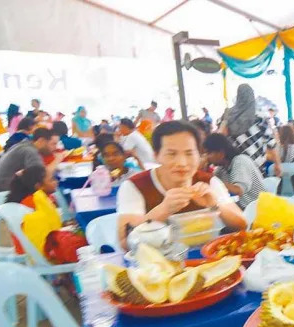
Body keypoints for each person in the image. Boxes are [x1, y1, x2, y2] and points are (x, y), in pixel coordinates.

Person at [116, 121, 246, 246]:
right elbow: (125, 242)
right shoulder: (135, 186)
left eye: (189, 153)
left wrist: (214, 205)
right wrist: (163, 209)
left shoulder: (208, 182)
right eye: (171, 154)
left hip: (205, 260)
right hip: (157, 264)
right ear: (156, 155)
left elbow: (242, 225)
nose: (182, 163)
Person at [222, 84, 282, 176]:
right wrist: (278, 164)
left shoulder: (228, 116)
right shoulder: (261, 118)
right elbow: (271, 144)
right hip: (256, 166)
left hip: (233, 167)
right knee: (257, 189)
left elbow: (220, 138)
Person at [203, 133, 265, 209]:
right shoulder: (222, 169)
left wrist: (210, 178)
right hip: (242, 208)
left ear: (221, 153)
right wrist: (204, 169)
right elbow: (211, 184)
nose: (206, 157)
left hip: (256, 210)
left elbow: (238, 190)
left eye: (208, 153)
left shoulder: (240, 161)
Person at [0, 127, 62, 191]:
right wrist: (58, 159)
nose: (55, 148)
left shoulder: (22, 145)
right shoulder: (30, 151)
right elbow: (43, 176)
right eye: (52, 144)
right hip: (3, 190)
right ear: (41, 141)